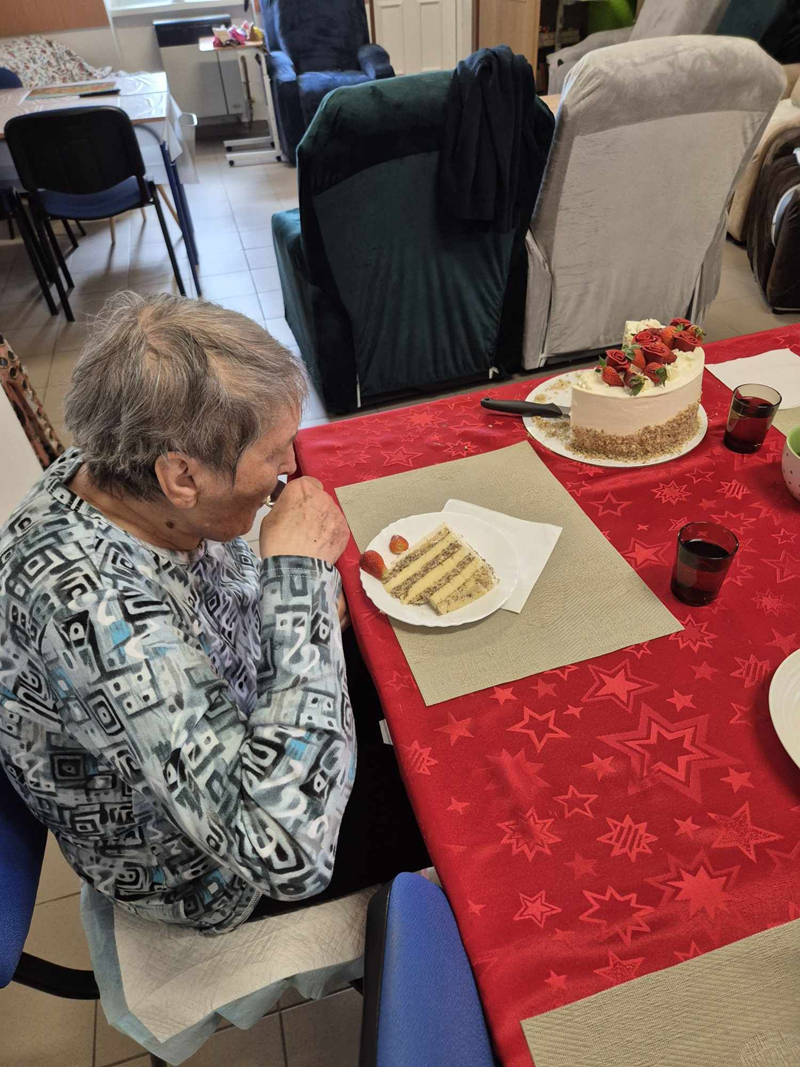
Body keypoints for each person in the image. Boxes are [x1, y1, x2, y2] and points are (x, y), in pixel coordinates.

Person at [0, 292, 428, 934]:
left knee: (420, 667)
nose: (291, 465)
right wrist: (300, 589)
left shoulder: (116, 474)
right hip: (207, 870)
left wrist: (297, 614)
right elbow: (282, 850)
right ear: (182, 477)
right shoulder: (93, 614)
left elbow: (214, 595)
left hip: (235, 707)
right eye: (274, 451)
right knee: (459, 797)